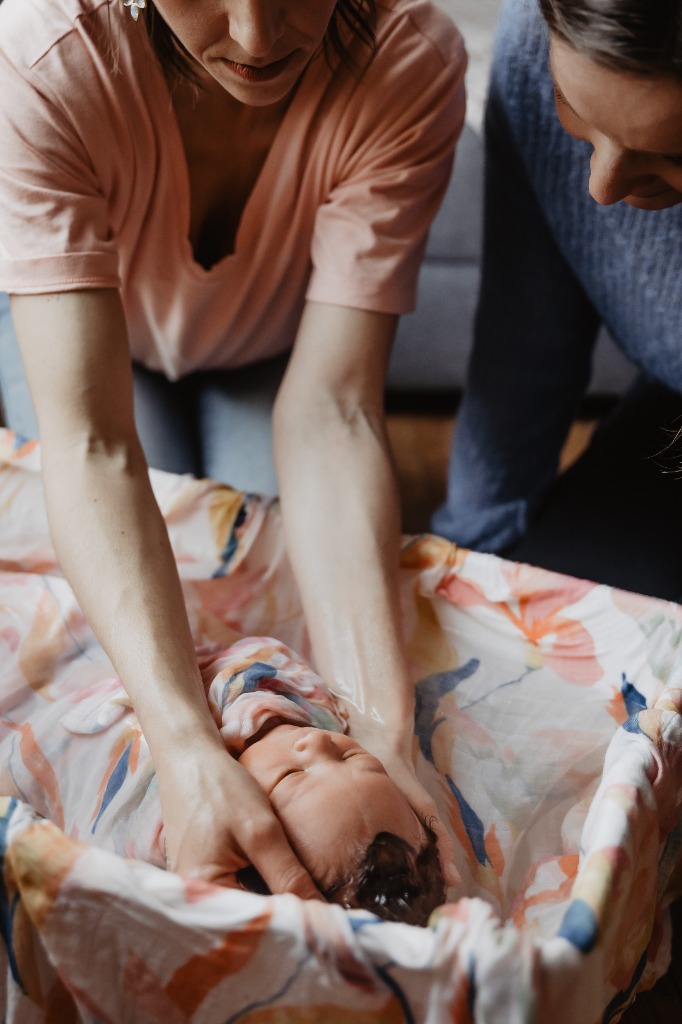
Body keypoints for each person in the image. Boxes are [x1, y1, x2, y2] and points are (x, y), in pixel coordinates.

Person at [0, 0, 465, 892]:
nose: (257, 39)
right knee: (115, 641)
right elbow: (94, 443)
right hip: (91, 353)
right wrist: (180, 745)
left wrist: (382, 734)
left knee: (262, 602)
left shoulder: (412, 60)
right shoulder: (46, 54)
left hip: (275, 356)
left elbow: (331, 409)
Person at [433, 0, 682, 602]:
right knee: (555, 619)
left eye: (672, 155)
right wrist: (467, 565)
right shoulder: (532, 37)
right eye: (573, 108)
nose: (602, 187)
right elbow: (524, 348)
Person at [0, 635, 446, 925]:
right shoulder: (308, 712)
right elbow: (260, 651)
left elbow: (55, 764)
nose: (319, 747)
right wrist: (255, 709)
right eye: (357, 760)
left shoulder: (163, 830)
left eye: (292, 777)